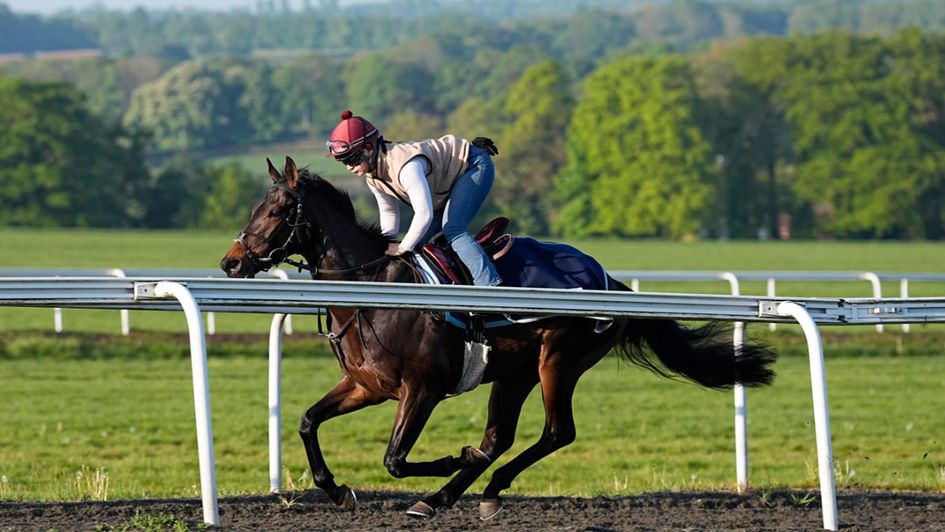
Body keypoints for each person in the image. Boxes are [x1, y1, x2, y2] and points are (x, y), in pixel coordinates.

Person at [326, 109, 502, 287]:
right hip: (446, 184)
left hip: (473, 165)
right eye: (343, 162)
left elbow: (424, 214)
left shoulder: (407, 167)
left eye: (351, 160)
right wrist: (389, 245)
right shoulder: (373, 177)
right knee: (420, 246)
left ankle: (490, 286)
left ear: (368, 149)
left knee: (453, 229)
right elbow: (389, 212)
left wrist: (402, 247)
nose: (349, 167)